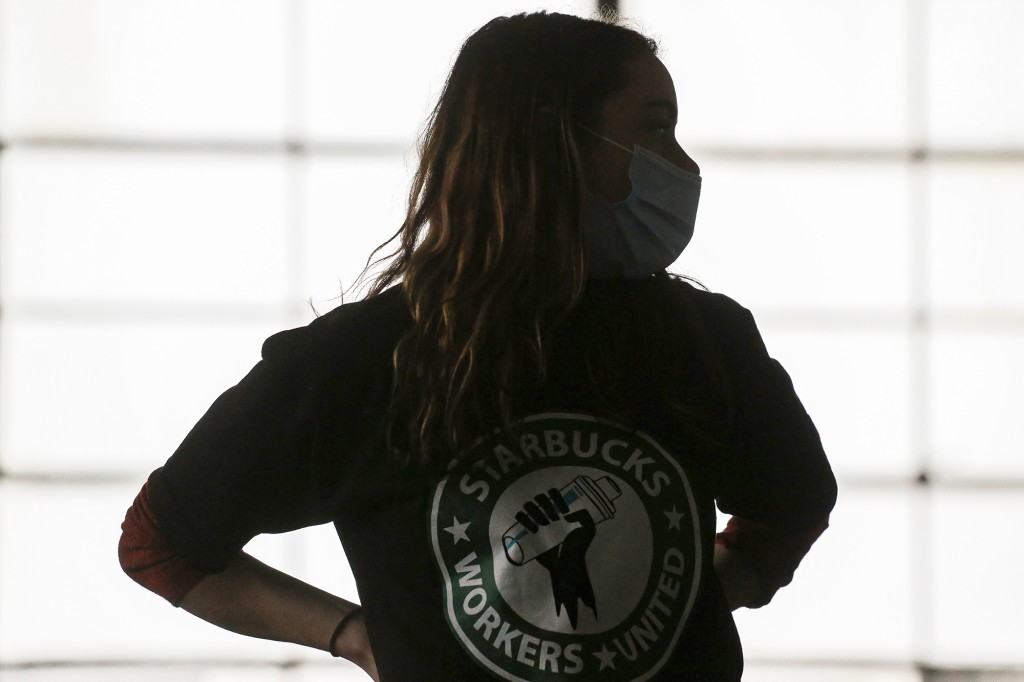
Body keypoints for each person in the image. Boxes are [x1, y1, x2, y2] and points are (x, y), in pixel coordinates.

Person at [119, 11, 836, 681]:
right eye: (654, 131)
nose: (683, 166)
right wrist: (351, 633)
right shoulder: (361, 362)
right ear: (553, 144)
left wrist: (687, 595)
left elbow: (793, 503)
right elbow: (159, 543)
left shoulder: (703, 339)